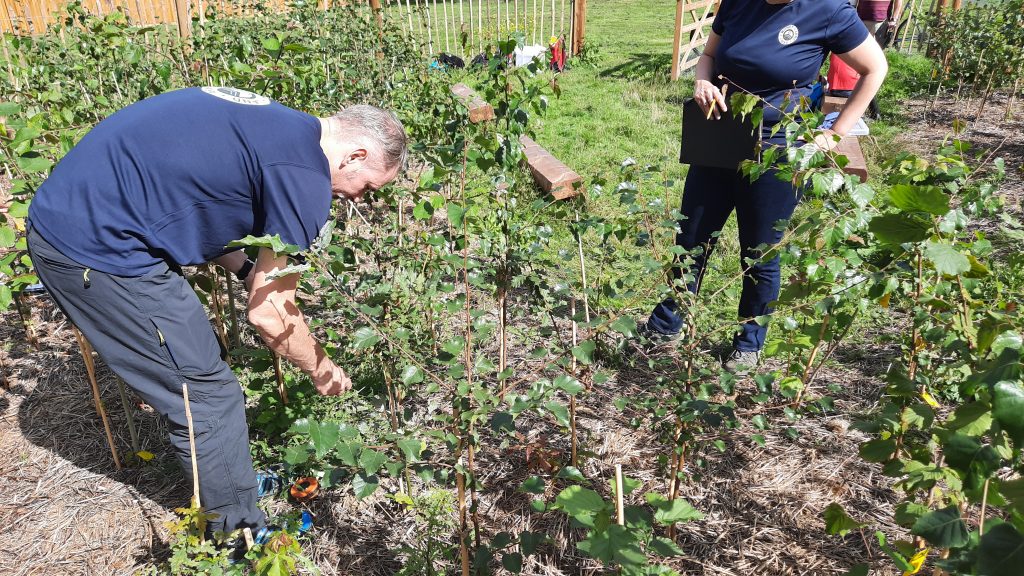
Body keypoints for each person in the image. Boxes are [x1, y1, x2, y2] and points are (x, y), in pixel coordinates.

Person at [26, 87, 406, 539]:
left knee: (203, 383)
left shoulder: (282, 126)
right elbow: (269, 316)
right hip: (95, 250)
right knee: (206, 395)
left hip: (82, 212)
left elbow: (206, 202)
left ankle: (231, 486)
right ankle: (236, 534)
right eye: (367, 188)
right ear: (355, 155)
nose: (359, 200)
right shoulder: (306, 178)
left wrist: (248, 268)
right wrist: (320, 367)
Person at [641, 0, 887, 374]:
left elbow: (875, 68)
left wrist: (834, 134)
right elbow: (709, 55)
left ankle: (748, 343)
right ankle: (666, 325)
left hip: (778, 152)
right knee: (690, 238)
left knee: (759, 251)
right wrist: (702, 81)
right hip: (718, 140)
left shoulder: (828, 11)